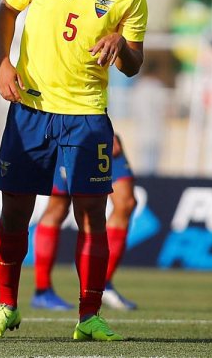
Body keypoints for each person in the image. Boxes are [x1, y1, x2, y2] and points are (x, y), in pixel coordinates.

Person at [0, 0, 146, 343]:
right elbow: (7, 10)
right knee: (15, 212)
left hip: (86, 116)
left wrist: (121, 45)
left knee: (91, 215)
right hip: (30, 110)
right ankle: (7, 306)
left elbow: (134, 64)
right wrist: (3, 62)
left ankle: (89, 314)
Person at [31, 133, 139, 312]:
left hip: (100, 130)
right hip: (68, 132)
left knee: (126, 203)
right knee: (58, 207)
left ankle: (102, 284)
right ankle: (42, 290)